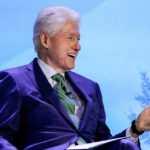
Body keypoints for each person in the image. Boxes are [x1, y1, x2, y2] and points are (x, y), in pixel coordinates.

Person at [0, 6, 150, 150]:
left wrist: (135, 129)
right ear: (45, 39)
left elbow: (103, 142)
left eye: (78, 39)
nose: (78, 46)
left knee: (127, 146)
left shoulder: (91, 88)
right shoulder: (15, 80)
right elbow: (2, 137)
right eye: (70, 38)